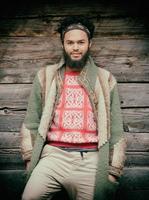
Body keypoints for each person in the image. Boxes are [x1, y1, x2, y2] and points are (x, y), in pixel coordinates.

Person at [21, 16, 126, 200]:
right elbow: (31, 121)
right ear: (63, 44)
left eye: (80, 42)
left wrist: (113, 171)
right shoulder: (46, 76)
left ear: (89, 43)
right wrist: (30, 159)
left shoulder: (105, 79)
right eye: (70, 42)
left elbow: (116, 128)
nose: (75, 47)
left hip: (91, 160)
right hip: (53, 156)